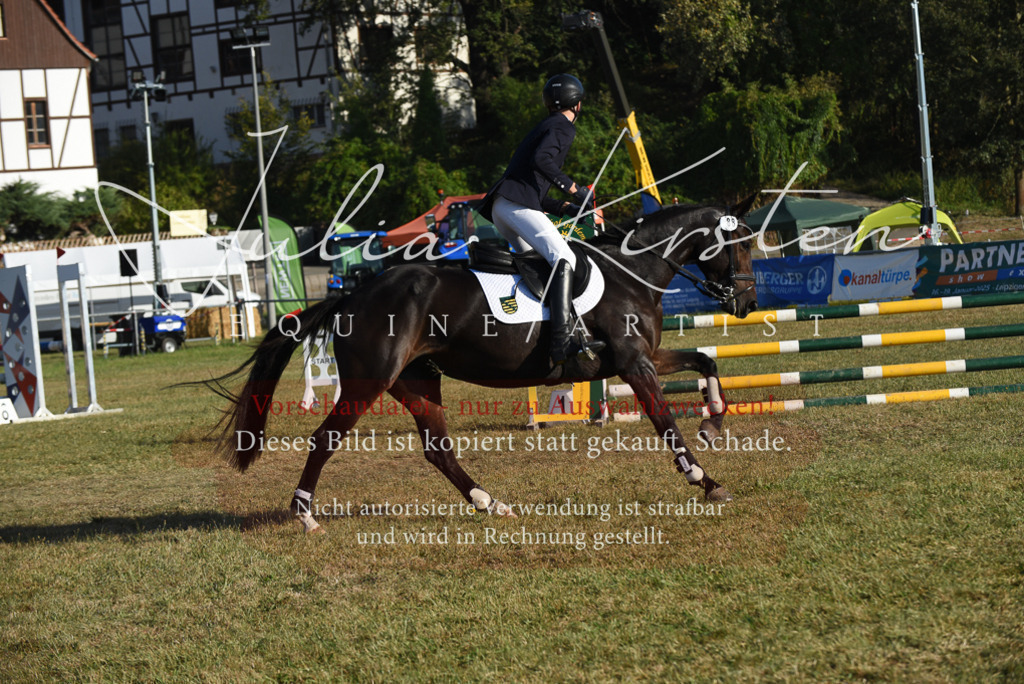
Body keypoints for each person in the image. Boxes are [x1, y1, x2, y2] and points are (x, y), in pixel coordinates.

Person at [480, 73, 606, 367]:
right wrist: (577, 191)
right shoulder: (563, 127)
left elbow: (534, 189)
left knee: (538, 264)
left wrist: (566, 207)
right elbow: (542, 162)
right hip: (516, 207)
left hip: (504, 207)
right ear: (577, 104)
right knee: (564, 257)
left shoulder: (545, 125)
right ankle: (562, 342)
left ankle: (534, 330)